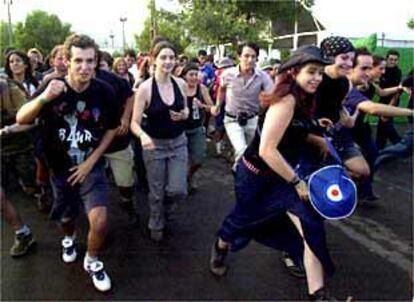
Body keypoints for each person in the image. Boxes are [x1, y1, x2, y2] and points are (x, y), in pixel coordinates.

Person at [209, 45, 340, 300]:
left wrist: (316, 136)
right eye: (311, 72)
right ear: (293, 73)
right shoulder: (286, 100)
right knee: (240, 223)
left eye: (320, 73)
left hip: (282, 180)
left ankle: (318, 295)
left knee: (310, 226)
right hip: (256, 178)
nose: (317, 78)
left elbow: (292, 130)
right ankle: (220, 245)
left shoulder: (303, 97)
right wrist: (297, 182)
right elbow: (268, 150)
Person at [16, 34, 118, 292]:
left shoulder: (104, 91)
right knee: (67, 215)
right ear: (68, 62)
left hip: (91, 167)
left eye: (90, 61)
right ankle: (69, 238)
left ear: (96, 62)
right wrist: (43, 98)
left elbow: (111, 129)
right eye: (78, 61)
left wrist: (92, 161)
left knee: (100, 221)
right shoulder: (53, 86)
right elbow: (22, 117)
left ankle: (93, 260)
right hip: (60, 169)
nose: (85, 67)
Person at [131, 41, 189, 242]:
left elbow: (187, 109)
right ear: (154, 60)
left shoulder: (180, 84)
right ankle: (156, 222)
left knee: (178, 189)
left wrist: (183, 115)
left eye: (171, 57)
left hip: (178, 143)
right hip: (154, 145)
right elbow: (134, 123)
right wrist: (143, 136)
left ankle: (168, 211)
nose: (168, 61)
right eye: (163, 57)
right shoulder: (145, 89)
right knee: (156, 191)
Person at [211, 42, 273, 171]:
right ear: (239, 56)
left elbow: (272, 94)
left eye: (253, 56)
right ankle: (241, 178)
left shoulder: (263, 76)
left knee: (251, 154)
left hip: (252, 119)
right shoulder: (227, 74)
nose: (250, 60)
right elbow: (221, 90)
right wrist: (217, 105)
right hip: (232, 120)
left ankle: (239, 171)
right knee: (241, 150)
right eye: (246, 56)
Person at [1, 77, 37, 257]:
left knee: (30, 186)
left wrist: (7, 130)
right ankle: (22, 234)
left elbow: (32, 119)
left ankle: (40, 191)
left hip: (19, 147)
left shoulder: (8, 89)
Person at [181, 63, 214, 193]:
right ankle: (181, 182)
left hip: (197, 128)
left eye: (196, 74)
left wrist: (202, 106)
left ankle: (189, 176)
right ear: (184, 76)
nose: (194, 77)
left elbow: (212, 107)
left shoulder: (202, 89)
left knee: (199, 158)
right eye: (191, 75)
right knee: (181, 159)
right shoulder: (180, 88)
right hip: (181, 130)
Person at [376, 50, 403, 150]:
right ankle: (380, 146)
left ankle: (399, 143)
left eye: (395, 60)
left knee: (386, 124)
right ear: (386, 59)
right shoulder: (382, 70)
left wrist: (390, 107)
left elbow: (397, 92)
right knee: (383, 125)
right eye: (391, 59)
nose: (393, 62)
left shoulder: (397, 72)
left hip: (392, 101)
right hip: (382, 100)